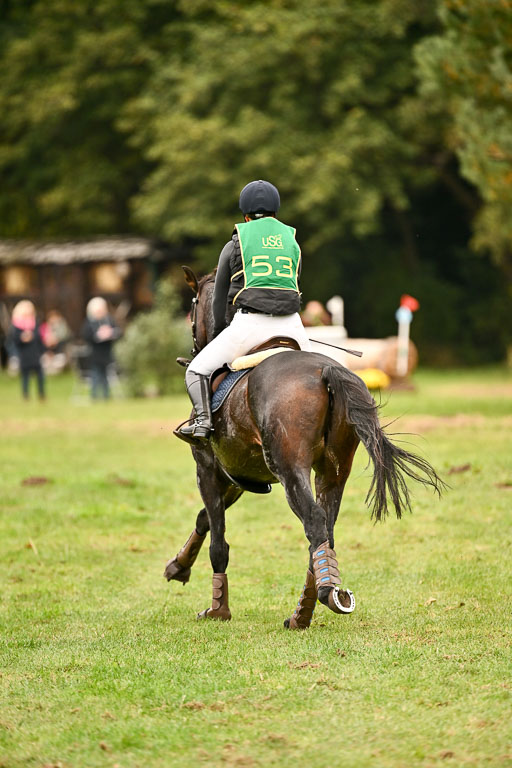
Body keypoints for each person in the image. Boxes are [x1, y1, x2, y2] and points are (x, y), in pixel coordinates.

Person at [178, 179, 311, 441]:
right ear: (275, 212)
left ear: (245, 215)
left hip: (250, 326)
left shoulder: (235, 243)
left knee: (196, 369)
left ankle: (203, 423)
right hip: (294, 326)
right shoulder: (292, 243)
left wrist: (216, 337)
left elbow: (218, 302)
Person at [81, 297, 121, 400]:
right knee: (95, 375)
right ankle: (94, 396)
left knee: (105, 376)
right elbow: (85, 336)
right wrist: (98, 335)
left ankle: (106, 396)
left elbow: (118, 332)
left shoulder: (108, 320)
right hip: (94, 354)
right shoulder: (89, 322)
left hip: (106, 353)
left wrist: (110, 333)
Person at [9, 300, 46, 400]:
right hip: (24, 354)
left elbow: (39, 339)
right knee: (25, 376)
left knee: (40, 375)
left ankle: (41, 394)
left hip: (35, 353)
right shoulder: (16, 325)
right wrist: (22, 338)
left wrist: (43, 351)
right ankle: (25, 395)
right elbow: (13, 340)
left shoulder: (35, 323)